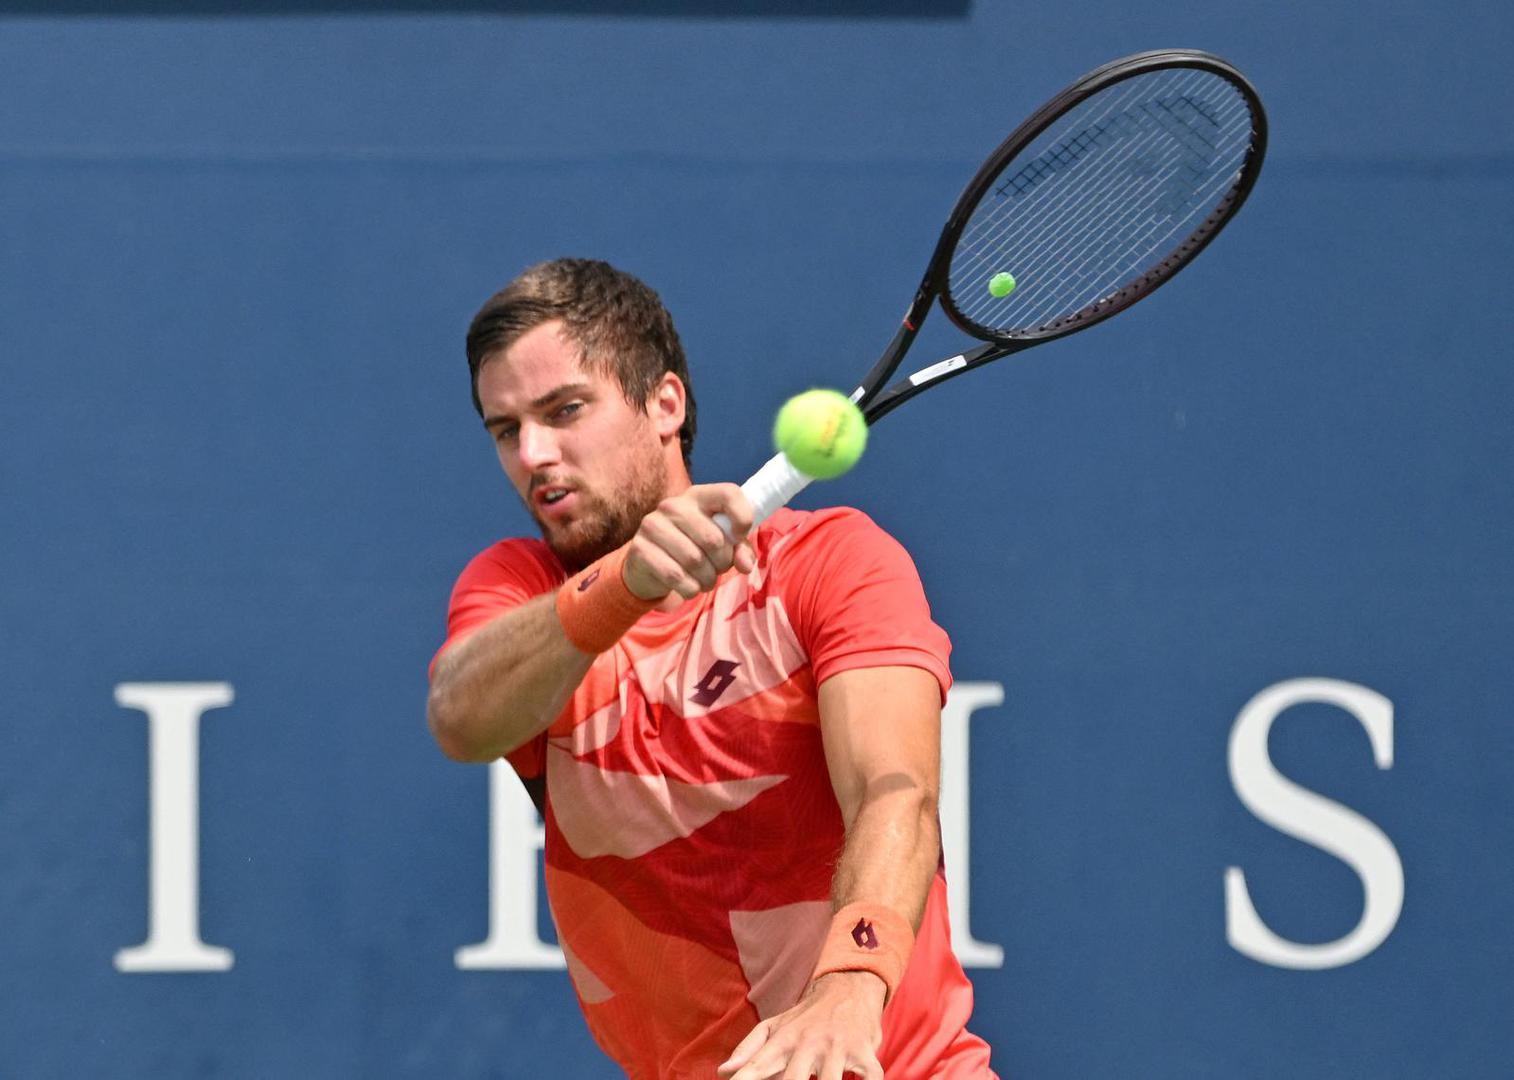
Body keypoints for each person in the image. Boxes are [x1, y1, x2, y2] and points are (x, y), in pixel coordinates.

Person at [427, 258, 996, 1080]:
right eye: (506, 430)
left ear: (665, 403)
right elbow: (461, 717)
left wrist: (847, 987)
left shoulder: (830, 563)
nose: (534, 454)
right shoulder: (520, 592)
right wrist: (622, 584)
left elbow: (893, 792)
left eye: (565, 410)